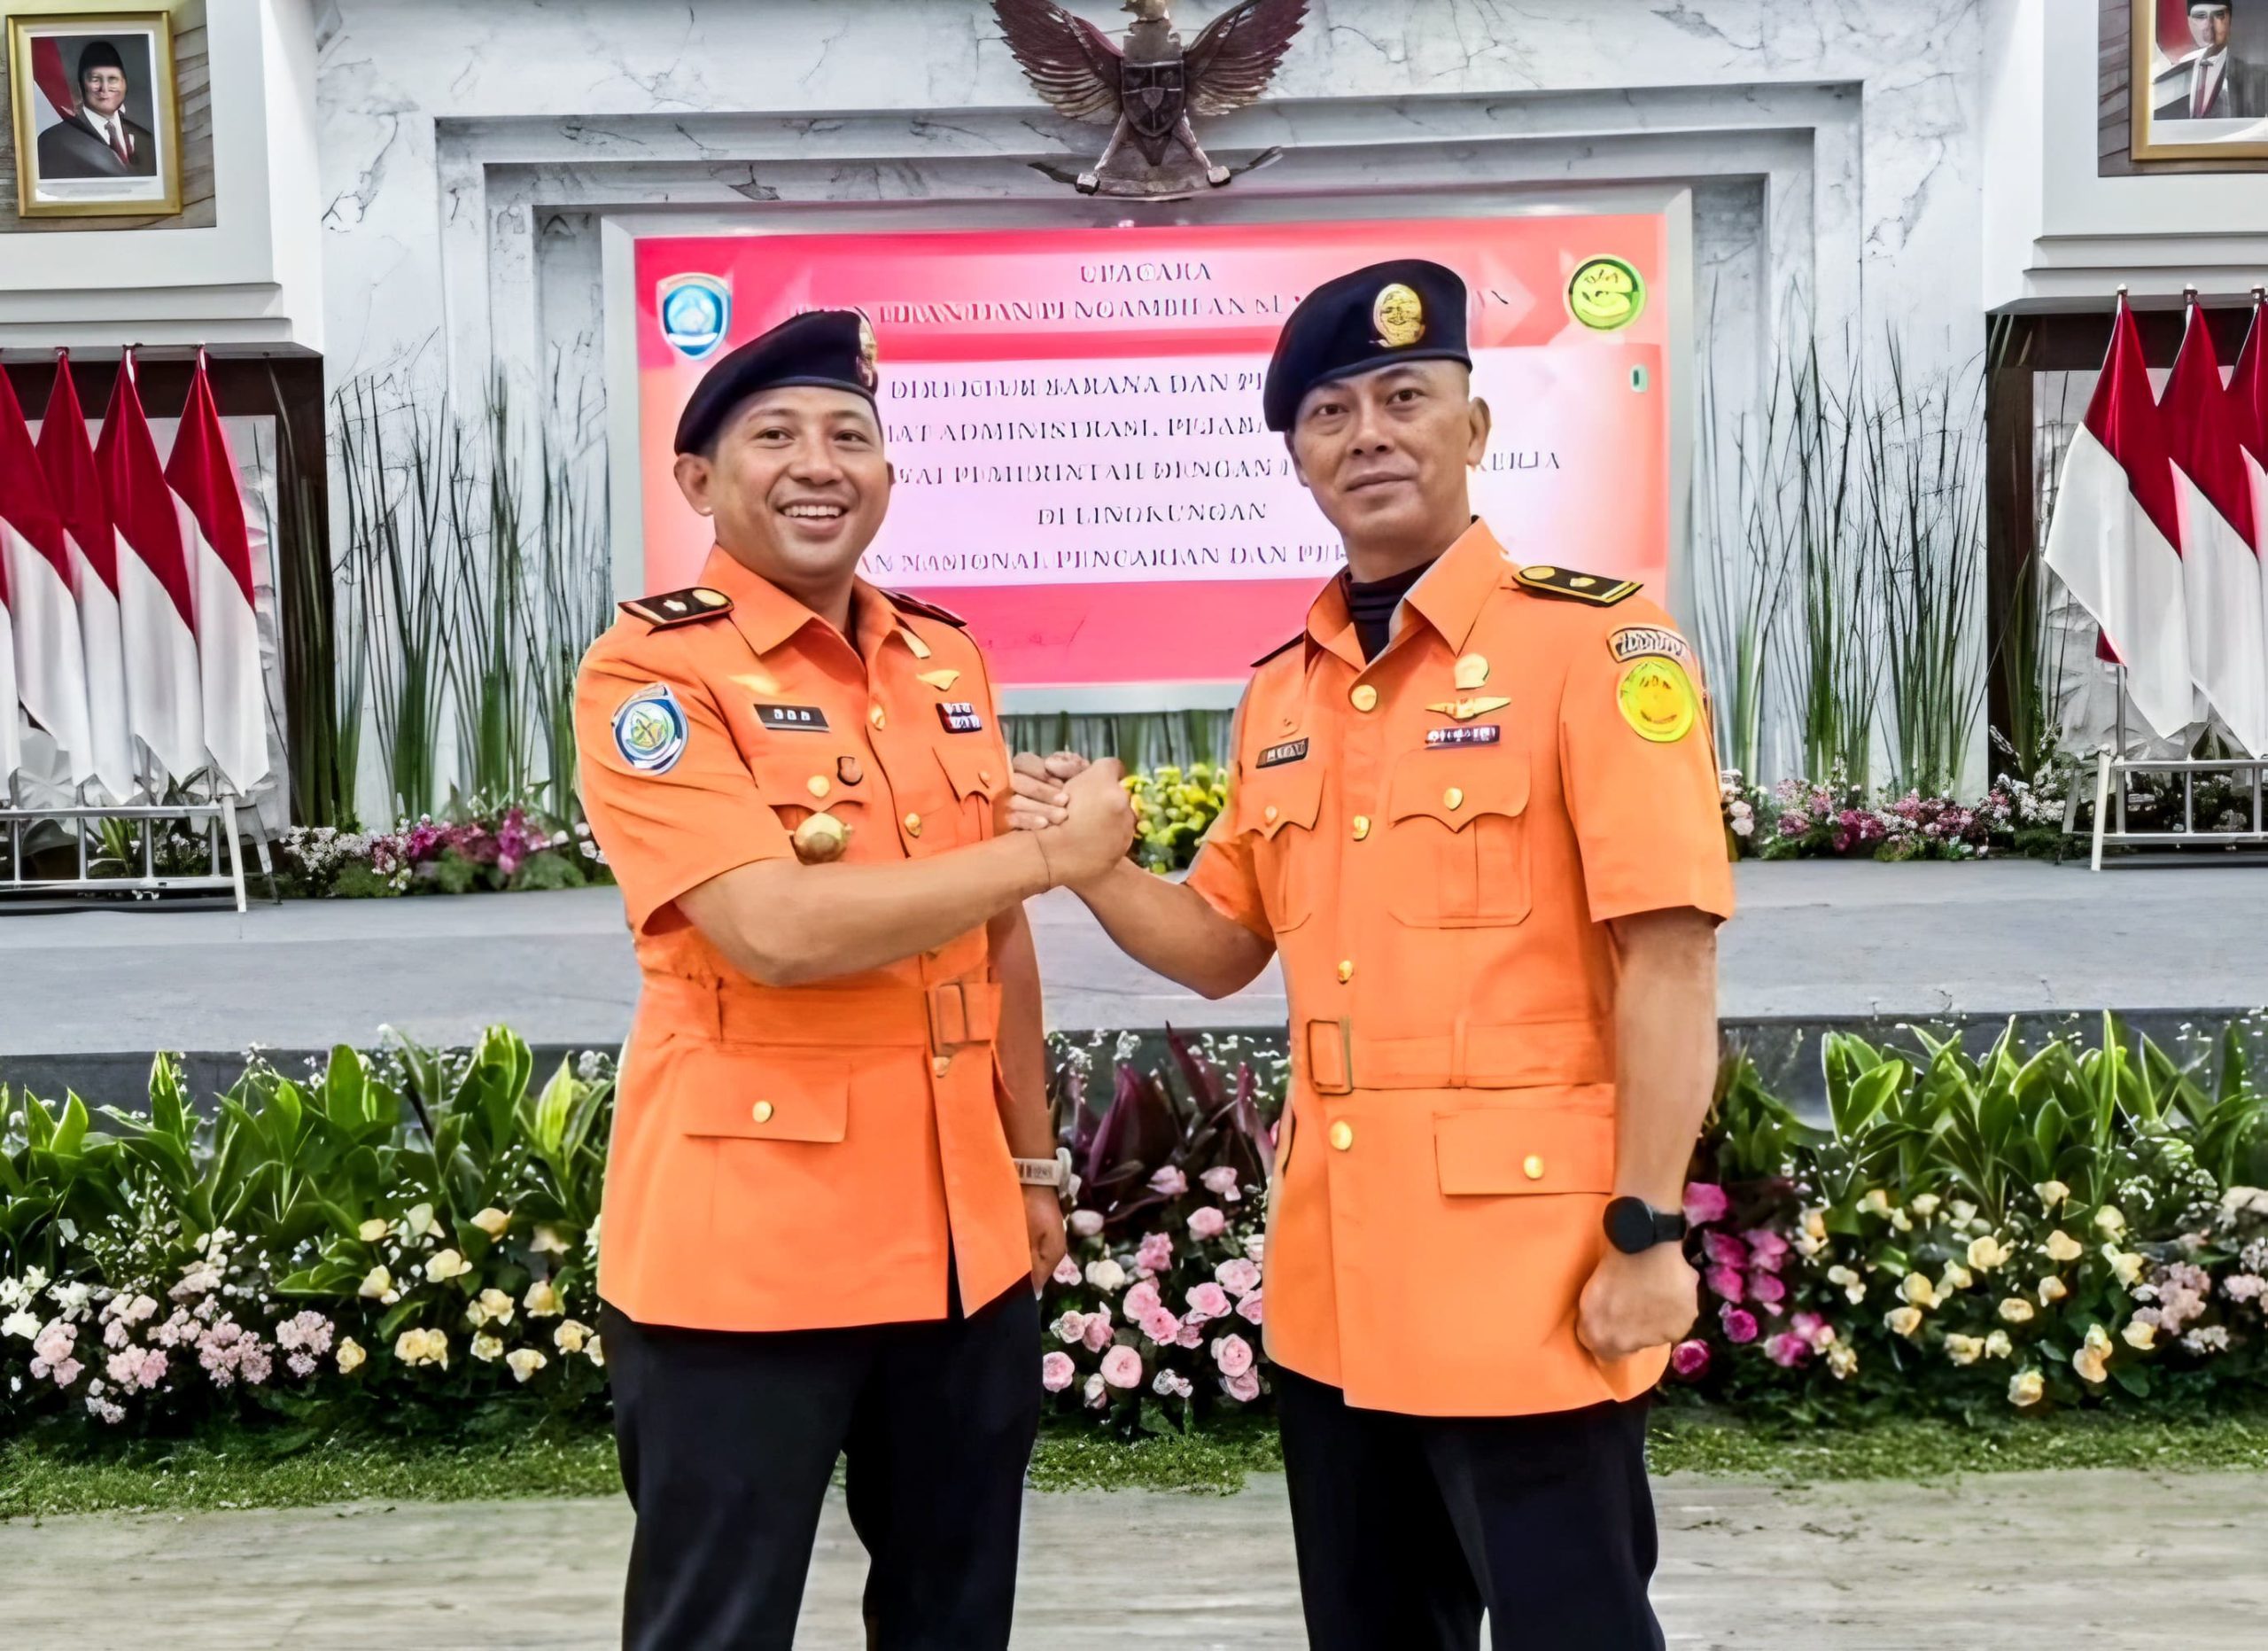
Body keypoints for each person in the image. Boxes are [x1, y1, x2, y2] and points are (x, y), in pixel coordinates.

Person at [1009, 260, 1732, 1648]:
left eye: (1406, 397)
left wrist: (1646, 1230)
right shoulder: (1285, 691)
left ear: (1475, 424)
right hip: (1339, 1278)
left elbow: (1671, 959)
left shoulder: (1596, 645)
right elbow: (1222, 945)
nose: (1370, 434)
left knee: (1573, 1622)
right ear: (1300, 457)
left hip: (1528, 1271)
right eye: (1331, 413)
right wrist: (1089, 862)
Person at [573, 308, 1138, 1650]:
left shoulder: (943, 659)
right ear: (698, 479)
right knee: (717, 1623)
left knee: (955, 1614)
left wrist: (1033, 1165)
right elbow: (771, 929)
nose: (818, 463)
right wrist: (1046, 855)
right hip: (748, 1246)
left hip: (958, 1240)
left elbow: (994, 939)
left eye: (850, 435)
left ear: (887, 472)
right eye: (774, 435)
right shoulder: (652, 668)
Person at [35, 41, 159, 181]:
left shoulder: (147, 141)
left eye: (113, 79)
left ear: (124, 84)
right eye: (95, 80)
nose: (104, 88)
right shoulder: (53, 141)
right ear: (81, 86)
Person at [2158, 3, 2268, 121]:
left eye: (2219, 15)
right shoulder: (2169, 80)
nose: (2209, 25)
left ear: (2230, 20)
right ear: (2189, 21)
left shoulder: (2258, 80)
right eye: (2200, 16)